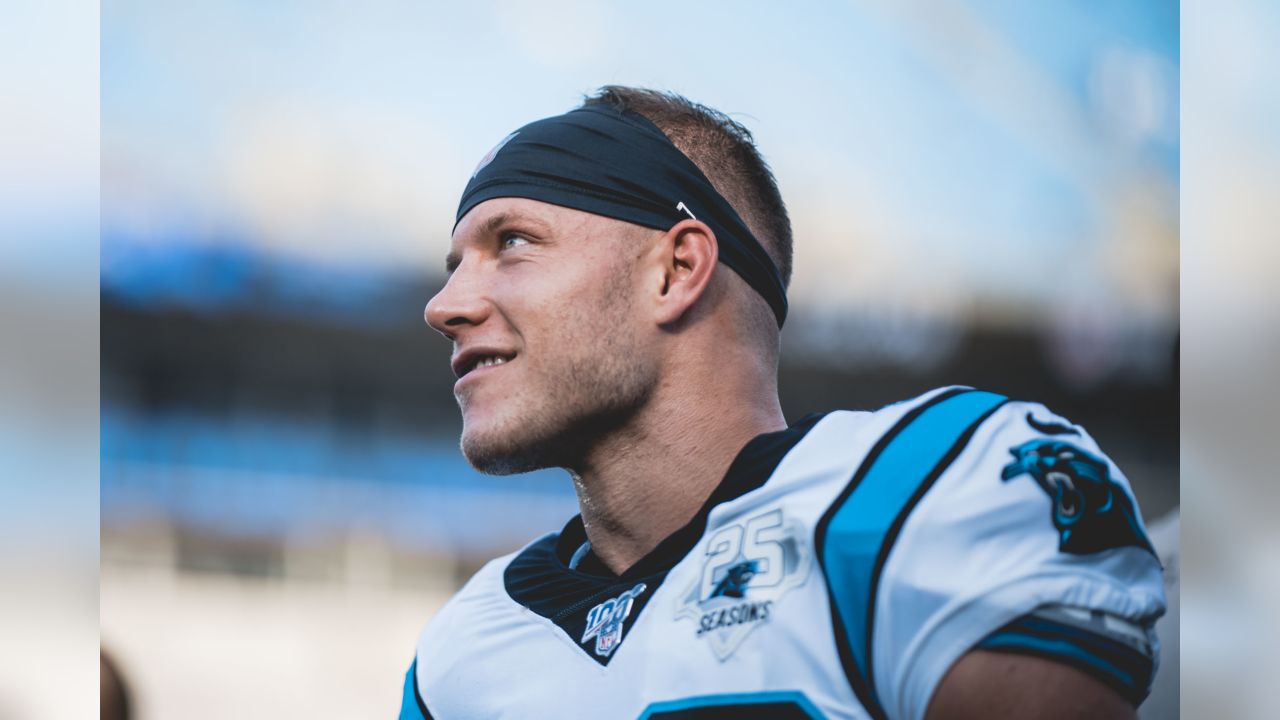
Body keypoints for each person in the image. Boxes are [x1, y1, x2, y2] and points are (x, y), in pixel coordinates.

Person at [401, 86, 1165, 720]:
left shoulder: (926, 491)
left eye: (514, 243)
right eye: (454, 263)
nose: (445, 304)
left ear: (676, 268)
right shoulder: (465, 654)